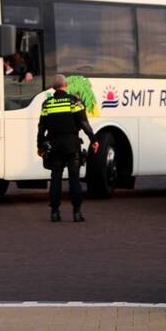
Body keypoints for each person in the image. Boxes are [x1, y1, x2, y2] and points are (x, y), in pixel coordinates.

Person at [37, 74, 99, 222]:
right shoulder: (74, 102)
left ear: (53, 87)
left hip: (54, 146)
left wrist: (40, 146)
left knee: (56, 178)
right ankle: (77, 213)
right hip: (72, 145)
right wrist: (94, 140)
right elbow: (84, 123)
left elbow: (41, 129)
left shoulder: (47, 104)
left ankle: (54, 212)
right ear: (66, 86)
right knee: (74, 179)